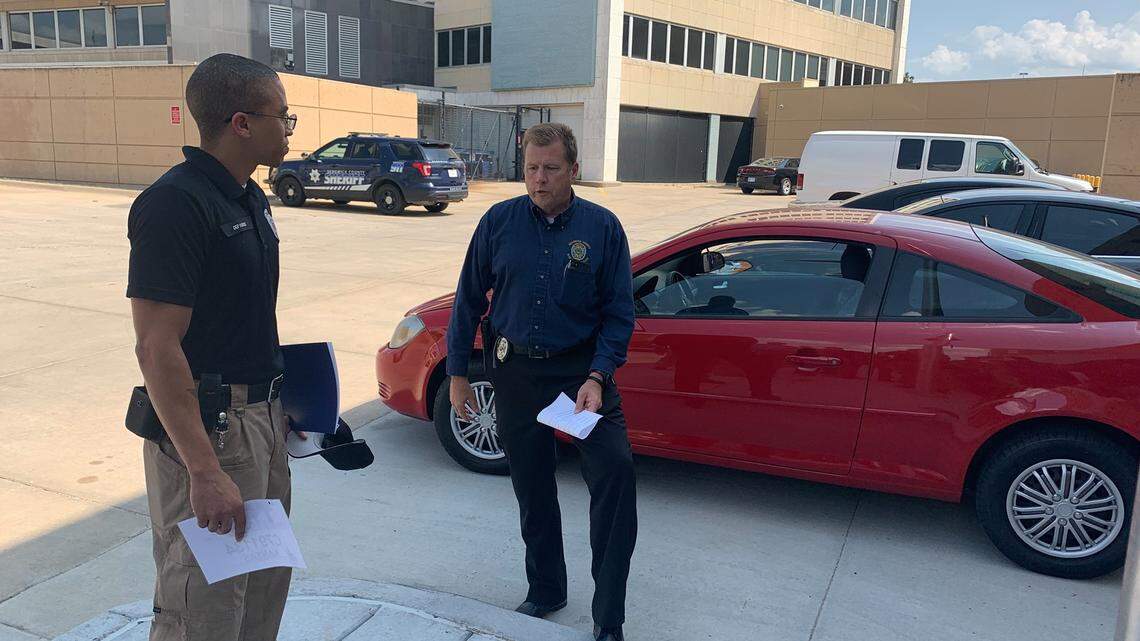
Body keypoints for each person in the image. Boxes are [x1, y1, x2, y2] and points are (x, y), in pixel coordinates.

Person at [126, 53, 296, 641]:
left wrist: (285, 407)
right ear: (241, 123)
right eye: (283, 116)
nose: (290, 129)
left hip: (262, 423)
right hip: (213, 433)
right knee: (203, 607)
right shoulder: (176, 204)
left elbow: (244, 318)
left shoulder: (248, 197)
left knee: (262, 591)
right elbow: (156, 346)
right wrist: (203, 469)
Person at [447, 123, 637, 641]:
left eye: (551, 168)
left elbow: (619, 314)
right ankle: (547, 588)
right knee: (532, 487)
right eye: (531, 168)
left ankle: (608, 618)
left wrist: (599, 374)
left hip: (580, 380)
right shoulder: (498, 222)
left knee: (614, 475)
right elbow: (467, 299)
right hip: (516, 374)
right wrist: (458, 374)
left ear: (573, 170)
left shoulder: (602, 228)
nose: (539, 179)